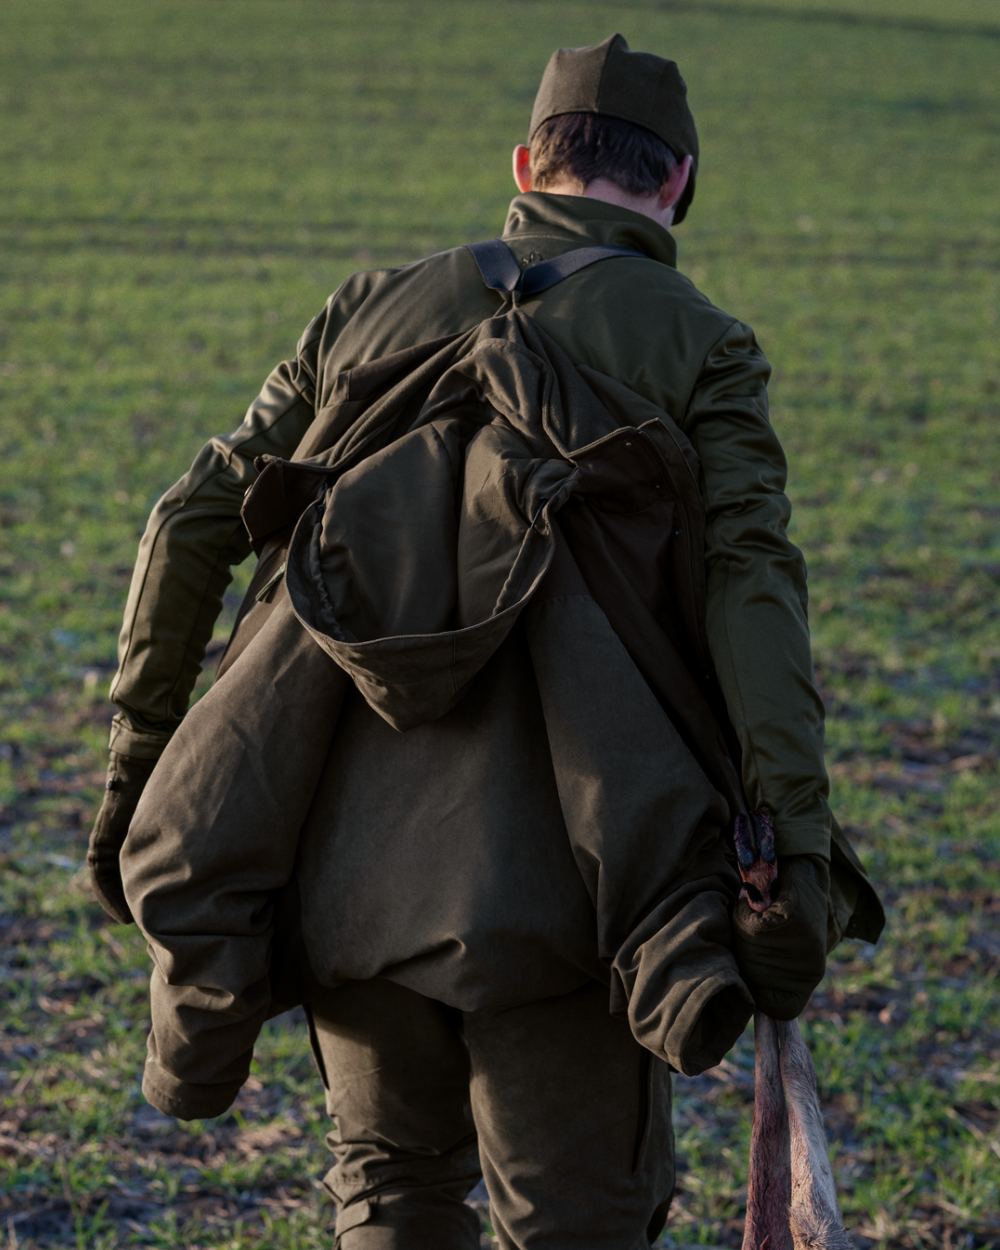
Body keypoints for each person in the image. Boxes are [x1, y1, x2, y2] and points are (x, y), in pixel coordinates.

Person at [88, 34, 881, 1250]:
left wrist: (141, 770)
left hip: (343, 872)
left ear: (525, 162)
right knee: (577, 1222)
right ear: (675, 185)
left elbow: (190, 523)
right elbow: (753, 593)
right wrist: (796, 855)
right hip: (578, 893)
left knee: (391, 1194)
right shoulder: (702, 341)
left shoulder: (362, 309)